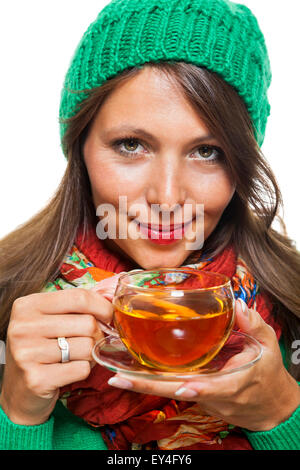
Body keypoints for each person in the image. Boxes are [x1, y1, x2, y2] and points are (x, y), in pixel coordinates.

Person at [0, 0, 299, 451]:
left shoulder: (291, 301)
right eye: (131, 144)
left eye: (207, 151)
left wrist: (281, 415)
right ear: (79, 145)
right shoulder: (8, 297)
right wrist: (18, 417)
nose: (166, 197)